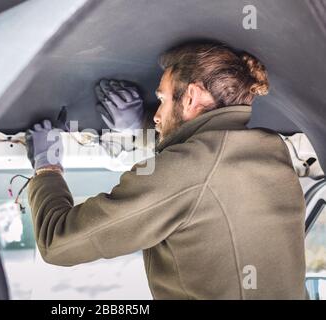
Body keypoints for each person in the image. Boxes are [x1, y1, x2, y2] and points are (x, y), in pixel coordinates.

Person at [24, 42, 307, 299]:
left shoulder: (191, 172)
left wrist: (46, 168)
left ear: (192, 96)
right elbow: (205, 155)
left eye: (162, 100)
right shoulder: (273, 150)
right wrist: (142, 125)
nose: (157, 114)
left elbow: (58, 243)